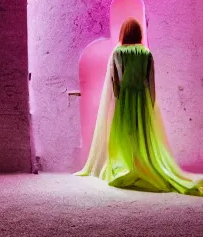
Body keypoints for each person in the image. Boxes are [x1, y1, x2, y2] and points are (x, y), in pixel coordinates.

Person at [76, 17, 203, 195]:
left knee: (124, 134)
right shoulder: (146, 54)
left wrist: (119, 98)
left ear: (124, 33)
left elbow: (115, 79)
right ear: (139, 34)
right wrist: (150, 103)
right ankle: (143, 166)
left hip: (125, 98)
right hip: (142, 98)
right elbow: (151, 81)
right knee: (142, 134)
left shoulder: (118, 53)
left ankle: (126, 167)